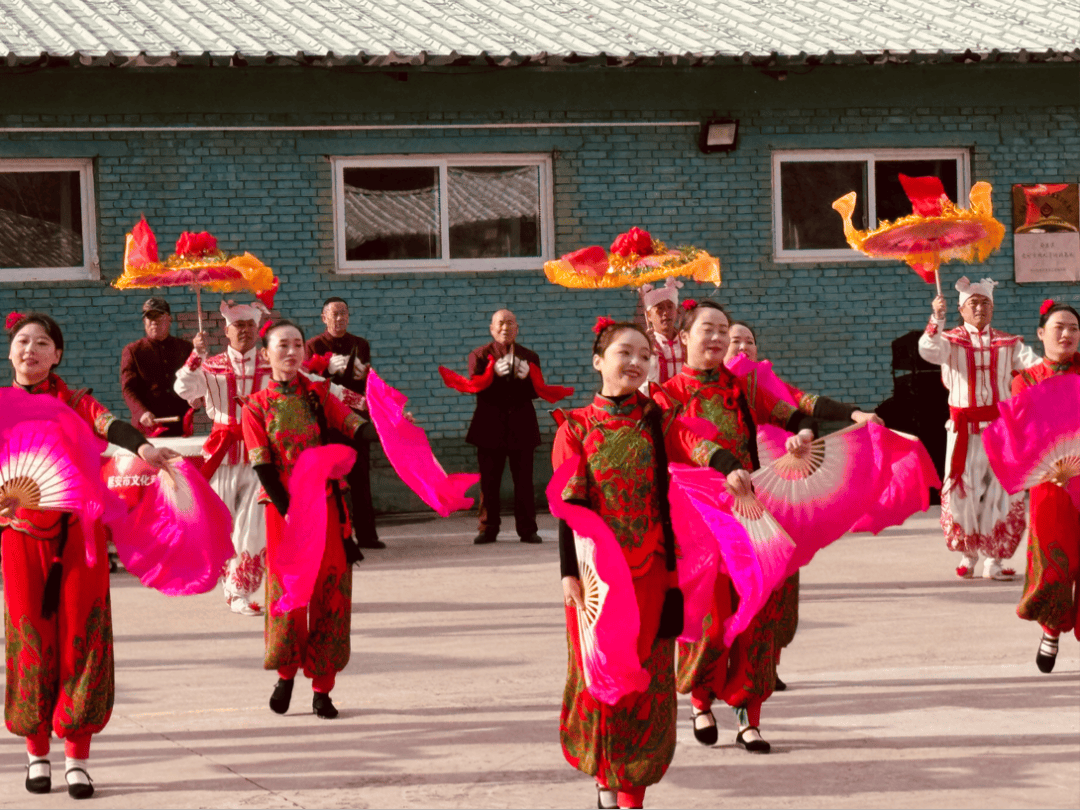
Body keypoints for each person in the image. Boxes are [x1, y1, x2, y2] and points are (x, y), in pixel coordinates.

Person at [555, 317, 731, 810]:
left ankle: (632, 793)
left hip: (654, 572)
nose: (635, 363)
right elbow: (568, 508)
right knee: (602, 681)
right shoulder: (574, 427)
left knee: (648, 683)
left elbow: (697, 445)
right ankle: (605, 781)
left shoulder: (658, 420)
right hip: (595, 583)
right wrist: (568, 572)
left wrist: (729, 466)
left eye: (643, 356)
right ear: (599, 362)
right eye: (623, 354)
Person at [3, 311, 177, 799]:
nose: (30, 350)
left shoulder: (74, 401)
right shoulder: (2, 407)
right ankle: (36, 752)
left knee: (83, 636)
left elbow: (110, 424)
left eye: (42, 343)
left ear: (57, 355)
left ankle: (77, 756)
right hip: (19, 537)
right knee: (29, 639)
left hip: (80, 536)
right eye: (22, 341)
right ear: (10, 351)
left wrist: (143, 448)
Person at [653, 300, 815, 755]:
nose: (719, 338)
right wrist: (723, 464)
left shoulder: (743, 384)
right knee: (712, 613)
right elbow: (688, 441)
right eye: (708, 329)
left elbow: (789, 410)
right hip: (697, 522)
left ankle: (749, 713)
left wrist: (804, 430)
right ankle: (701, 699)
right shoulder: (665, 396)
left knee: (756, 611)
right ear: (683, 337)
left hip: (749, 512)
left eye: (724, 329)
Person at [725, 319, 881, 692]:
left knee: (779, 581)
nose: (743, 348)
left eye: (750, 341)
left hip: (775, 495)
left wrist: (855, 414)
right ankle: (726, 666)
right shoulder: (707, 389)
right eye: (734, 341)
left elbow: (806, 405)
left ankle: (768, 661)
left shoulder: (764, 385)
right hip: (726, 498)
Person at [242, 319, 374, 720]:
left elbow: (355, 426)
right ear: (266, 355)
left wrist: (391, 429)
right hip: (284, 513)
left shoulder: (320, 393)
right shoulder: (256, 407)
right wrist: (289, 509)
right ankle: (285, 674)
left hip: (327, 507)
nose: (291, 351)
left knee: (330, 594)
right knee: (289, 596)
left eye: (297, 344)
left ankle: (322, 688)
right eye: (282, 345)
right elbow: (262, 466)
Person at [918, 277, 1040, 580]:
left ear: (993, 308)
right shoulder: (949, 341)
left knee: (1001, 492)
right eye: (974, 303)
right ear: (962, 309)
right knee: (964, 490)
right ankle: (968, 554)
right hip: (964, 430)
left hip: (1001, 431)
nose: (980, 308)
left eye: (986, 303)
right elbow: (927, 350)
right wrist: (937, 317)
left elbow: (1037, 366)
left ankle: (994, 561)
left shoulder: (1008, 343)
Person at [174, 300, 273, 616]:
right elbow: (183, 388)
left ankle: (238, 590)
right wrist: (195, 356)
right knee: (220, 524)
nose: (243, 331)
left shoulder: (271, 365)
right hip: (222, 454)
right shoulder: (211, 364)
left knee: (253, 525)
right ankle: (220, 576)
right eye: (238, 325)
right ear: (226, 330)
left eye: (249, 325)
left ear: (257, 330)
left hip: (259, 455)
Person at [1010, 300, 1080, 673]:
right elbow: (1021, 436)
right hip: (1050, 484)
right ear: (1041, 334)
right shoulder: (1026, 380)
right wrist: (1045, 464)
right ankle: (1050, 630)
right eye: (1058, 327)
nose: (1066, 334)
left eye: (1073, 327)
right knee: (1054, 563)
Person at [304, 297, 382, 550]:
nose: (339, 319)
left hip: (356, 420)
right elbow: (307, 381)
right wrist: (325, 369)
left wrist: (366, 373)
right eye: (334, 314)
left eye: (343, 314)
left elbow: (368, 386)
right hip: (326, 422)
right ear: (323, 318)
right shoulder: (313, 345)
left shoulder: (360, 345)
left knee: (361, 479)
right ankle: (333, 535)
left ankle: (368, 536)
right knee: (328, 480)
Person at [466, 309, 543, 545]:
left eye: (510, 323)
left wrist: (527, 376)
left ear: (517, 328)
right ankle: (488, 528)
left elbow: (536, 392)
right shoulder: (479, 355)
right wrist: (493, 375)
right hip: (489, 427)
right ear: (492, 329)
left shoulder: (530, 356)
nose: (505, 328)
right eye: (500, 323)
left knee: (524, 482)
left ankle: (527, 529)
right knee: (489, 482)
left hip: (522, 426)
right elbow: (475, 387)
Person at [119, 297, 194, 437]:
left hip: (179, 426)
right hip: (148, 427)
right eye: (149, 317)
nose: (154, 321)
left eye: (159, 315)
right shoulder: (133, 351)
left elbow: (195, 382)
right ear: (144, 322)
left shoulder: (185, 348)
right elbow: (128, 388)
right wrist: (141, 412)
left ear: (169, 319)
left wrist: (196, 399)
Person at [639, 277, 685, 389]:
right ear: (648, 316)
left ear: (677, 311)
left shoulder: (686, 341)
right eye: (659, 308)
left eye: (670, 307)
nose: (666, 313)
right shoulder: (645, 345)